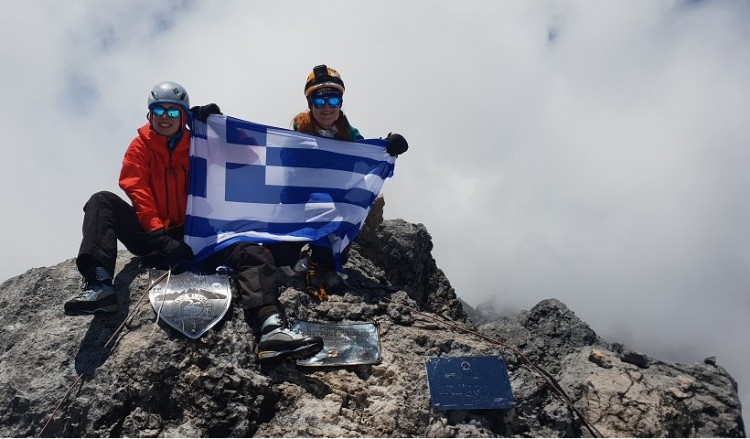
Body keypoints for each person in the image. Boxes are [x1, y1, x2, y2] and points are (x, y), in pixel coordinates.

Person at [64, 81, 322, 363]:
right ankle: (100, 284)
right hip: (153, 238)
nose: (164, 117)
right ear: (149, 115)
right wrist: (158, 235)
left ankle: (270, 326)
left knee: (253, 253)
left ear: (184, 116)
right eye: (158, 111)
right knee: (102, 202)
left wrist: (219, 127)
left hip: (197, 234)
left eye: (173, 112)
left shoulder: (201, 144)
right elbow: (137, 189)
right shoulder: (140, 147)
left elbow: (249, 156)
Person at [270, 64, 409, 292]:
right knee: (280, 258)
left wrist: (389, 144)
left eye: (333, 101)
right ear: (310, 104)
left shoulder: (349, 135)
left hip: (331, 211)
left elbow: (367, 157)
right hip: (295, 207)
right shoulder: (296, 133)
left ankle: (316, 260)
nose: (327, 108)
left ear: (341, 103)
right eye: (319, 101)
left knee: (331, 258)